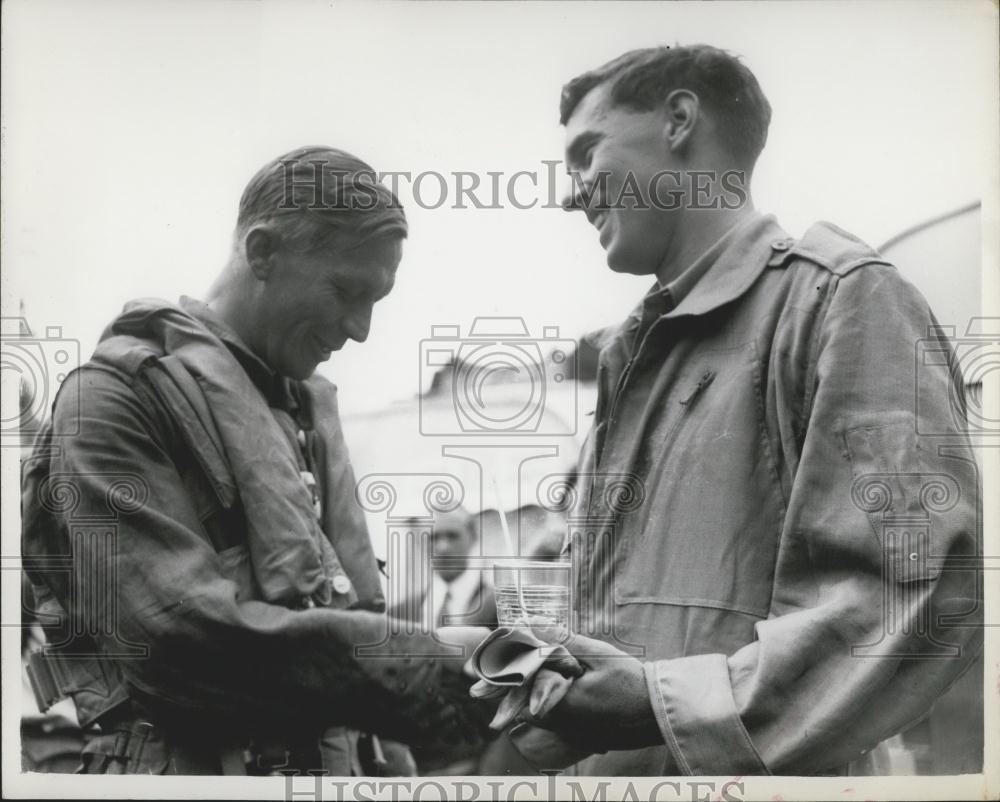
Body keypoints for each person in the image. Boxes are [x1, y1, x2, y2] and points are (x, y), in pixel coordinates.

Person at [479, 45, 983, 776]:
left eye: (587, 153)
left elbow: (917, 603)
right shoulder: (633, 356)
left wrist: (659, 703)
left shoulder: (842, 303)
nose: (570, 192)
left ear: (680, 120)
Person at [21, 146, 484, 776]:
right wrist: (422, 662)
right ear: (262, 252)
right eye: (345, 291)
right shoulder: (111, 401)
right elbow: (177, 639)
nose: (360, 328)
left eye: (376, 300)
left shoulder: (297, 413)